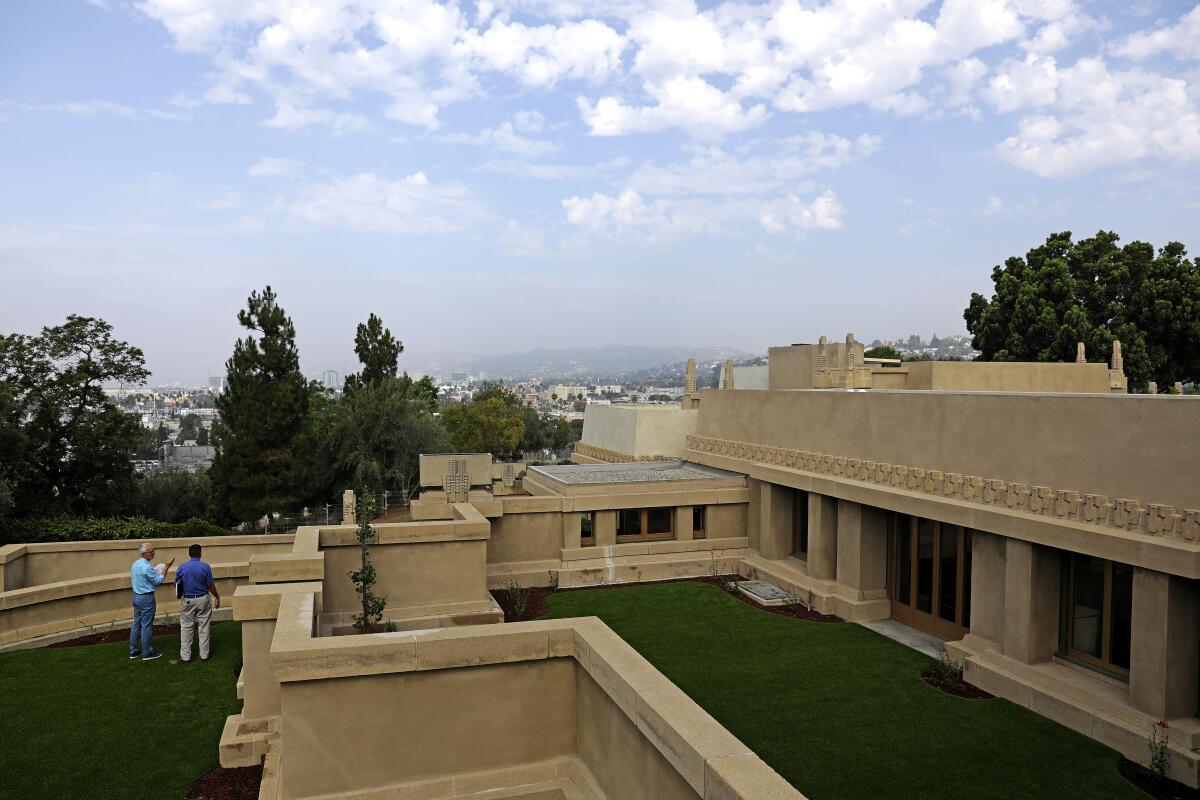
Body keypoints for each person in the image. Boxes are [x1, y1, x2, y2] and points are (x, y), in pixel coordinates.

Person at [175, 543, 220, 662]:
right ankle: (204, 655)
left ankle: (185, 657)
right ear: (200, 553)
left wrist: (179, 595)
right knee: (204, 626)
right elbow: (210, 585)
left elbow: (177, 584)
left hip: (188, 599)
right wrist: (217, 597)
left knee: (186, 627)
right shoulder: (205, 567)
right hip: (203, 598)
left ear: (189, 554)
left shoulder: (181, 567)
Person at [130, 542, 173, 661]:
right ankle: (147, 653)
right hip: (146, 598)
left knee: (136, 623)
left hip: (136, 597)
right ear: (144, 554)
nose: (154, 553)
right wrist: (166, 568)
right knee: (146, 625)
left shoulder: (135, 564)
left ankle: (134, 651)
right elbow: (158, 581)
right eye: (152, 551)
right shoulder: (146, 567)